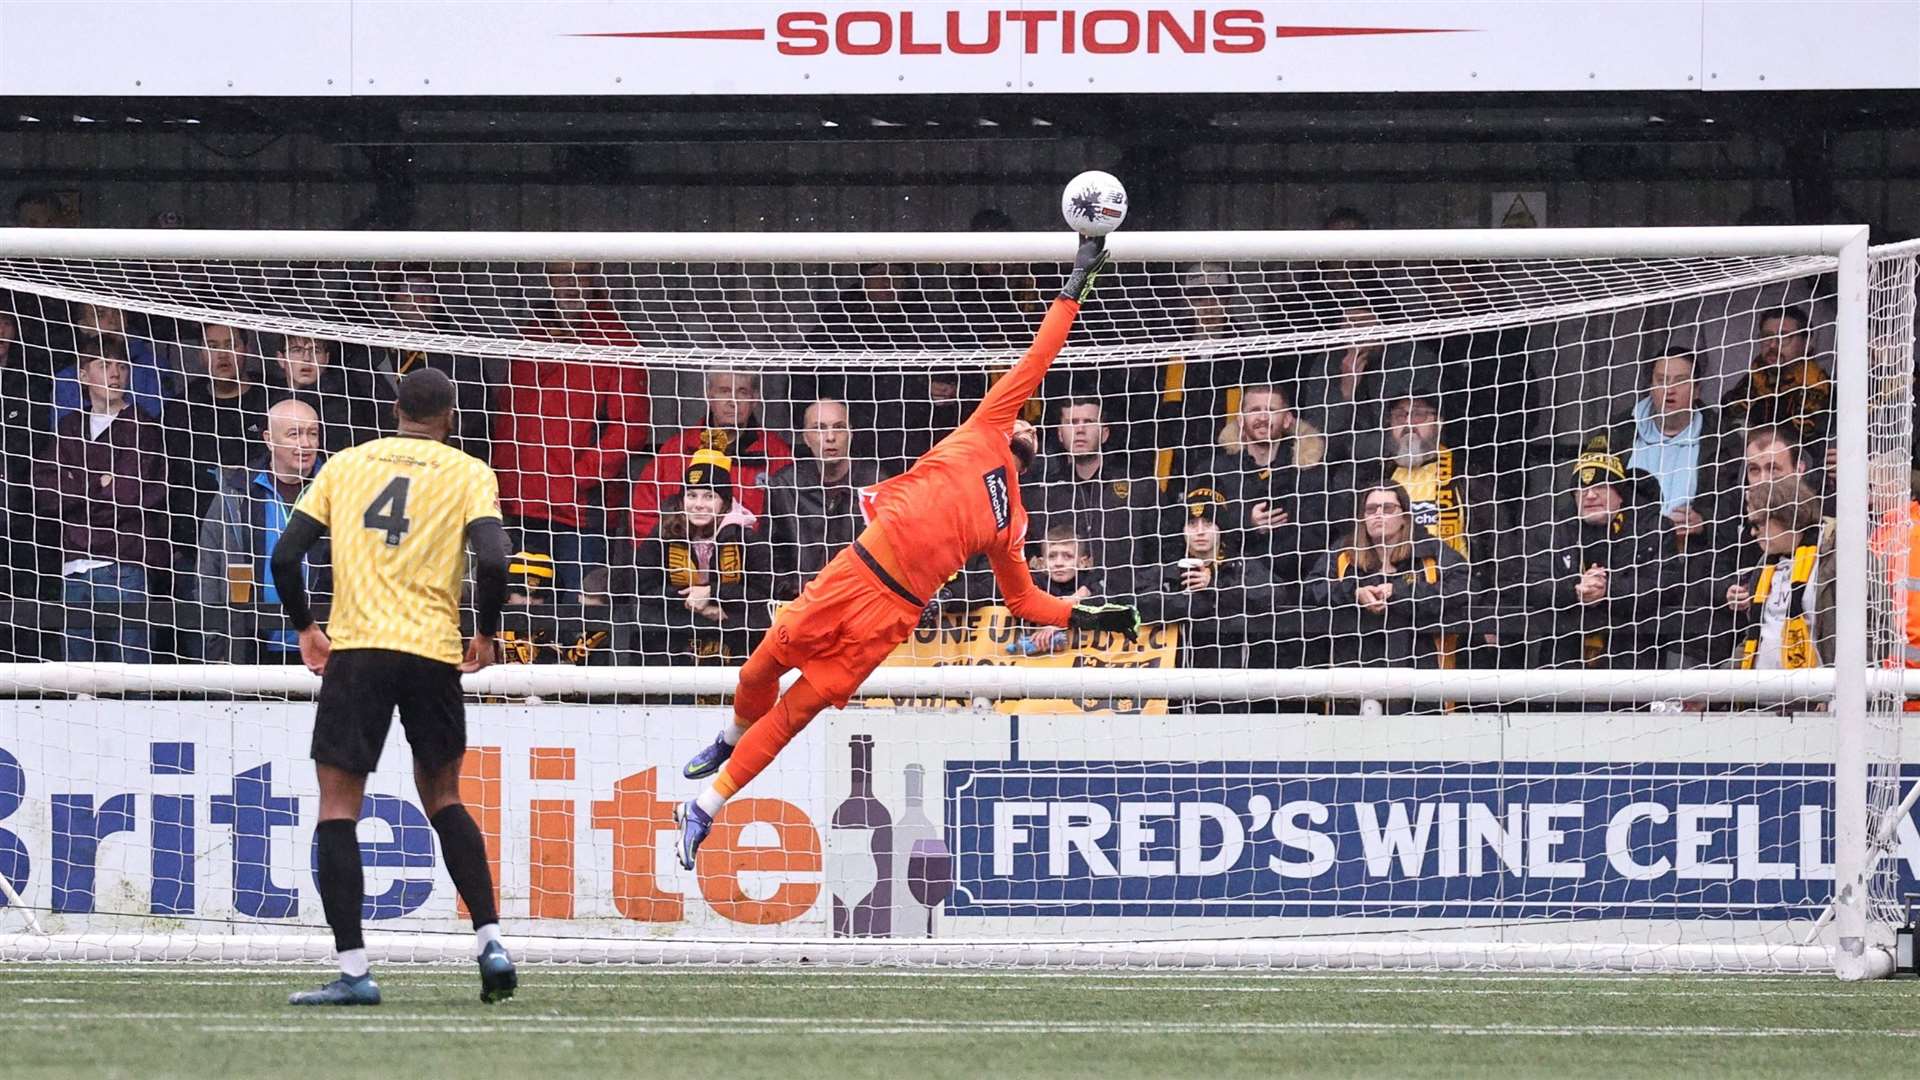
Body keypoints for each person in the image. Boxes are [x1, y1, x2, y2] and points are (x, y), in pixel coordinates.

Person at [672, 236, 1140, 867]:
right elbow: (1041, 353)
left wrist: (1080, 617)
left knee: (799, 711)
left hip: (894, 615)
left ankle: (704, 805)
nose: (1027, 420)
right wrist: (1078, 277)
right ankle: (729, 737)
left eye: (1030, 424)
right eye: (1027, 417)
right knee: (758, 672)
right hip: (856, 571)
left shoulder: (1015, 522)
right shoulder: (986, 425)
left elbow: (1023, 599)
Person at [267, 368, 516, 1007]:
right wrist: (485, 633)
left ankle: (354, 971)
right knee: (443, 797)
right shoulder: (468, 472)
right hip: (433, 653)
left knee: (338, 808)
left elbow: (285, 556)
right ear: (450, 416)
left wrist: (305, 628)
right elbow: (492, 559)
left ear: (396, 407)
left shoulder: (346, 465)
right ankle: (490, 940)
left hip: (358, 654)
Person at [492, 262, 649, 593]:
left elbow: (630, 429)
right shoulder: (530, 337)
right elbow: (510, 421)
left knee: (584, 610)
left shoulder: (616, 342)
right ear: (548, 278)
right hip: (523, 505)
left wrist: (580, 475)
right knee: (524, 610)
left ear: (593, 278)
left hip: (581, 512)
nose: (570, 284)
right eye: (561, 274)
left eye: (579, 274)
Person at [32, 336, 170, 662]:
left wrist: (77, 484)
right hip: (74, 568)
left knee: (131, 681)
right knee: (79, 687)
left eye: (122, 365)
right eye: (104, 364)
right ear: (82, 375)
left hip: (125, 567)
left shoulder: (142, 427)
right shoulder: (68, 427)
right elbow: (45, 491)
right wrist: (98, 483)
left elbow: (127, 494)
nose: (115, 373)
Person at [196, 399, 328, 663]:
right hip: (251, 645)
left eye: (312, 433)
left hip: (326, 645)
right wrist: (217, 641)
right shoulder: (236, 492)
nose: (305, 443)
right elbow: (208, 572)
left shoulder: (339, 488)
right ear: (269, 439)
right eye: (294, 434)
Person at [614, 448, 770, 664]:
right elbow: (642, 587)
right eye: (692, 495)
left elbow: (763, 592)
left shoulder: (745, 538)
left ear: (724, 502)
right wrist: (692, 602)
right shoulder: (665, 534)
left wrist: (713, 593)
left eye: (709, 496)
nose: (699, 504)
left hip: (735, 637)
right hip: (674, 637)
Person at [1521, 452, 1674, 669]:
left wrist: (1608, 591)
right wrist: (1574, 590)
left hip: (1632, 664)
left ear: (1620, 494)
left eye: (1600, 487)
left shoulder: (1654, 529)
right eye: (1582, 489)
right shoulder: (1551, 532)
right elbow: (1530, 585)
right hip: (1563, 667)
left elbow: (1666, 585)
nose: (1590, 495)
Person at [1305, 482, 1470, 674]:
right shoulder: (1342, 552)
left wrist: (1399, 592)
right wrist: (1354, 593)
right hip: (1353, 666)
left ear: (1404, 516)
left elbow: (1465, 586)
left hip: (1420, 667)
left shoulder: (1431, 550)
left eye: (1388, 508)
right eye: (1371, 509)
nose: (1378, 514)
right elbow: (1311, 588)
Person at [628, 369, 793, 538]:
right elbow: (643, 515)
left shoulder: (776, 453)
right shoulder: (676, 450)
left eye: (742, 392)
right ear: (709, 395)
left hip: (753, 560)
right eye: (724, 391)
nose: (733, 401)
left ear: (755, 399)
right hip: (682, 560)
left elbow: (791, 523)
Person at [1130, 487, 1275, 670]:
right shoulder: (1168, 570)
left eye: (1207, 523)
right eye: (1192, 523)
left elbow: (1271, 595)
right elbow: (1136, 602)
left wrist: (1214, 586)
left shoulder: (1240, 566)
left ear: (1220, 528)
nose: (1199, 531)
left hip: (1230, 678)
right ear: (1182, 530)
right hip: (1175, 677)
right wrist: (1196, 601)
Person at [763, 398, 884, 601]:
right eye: (819, 428)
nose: (830, 437)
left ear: (850, 433)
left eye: (838, 427)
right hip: (802, 602)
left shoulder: (876, 484)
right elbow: (769, 556)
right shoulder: (784, 486)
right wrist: (794, 590)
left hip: (862, 601)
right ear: (806, 438)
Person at [1027, 396, 1161, 576]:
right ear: (1060, 434)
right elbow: (1031, 555)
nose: (1080, 430)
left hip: (1128, 598)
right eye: (1072, 422)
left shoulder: (1140, 487)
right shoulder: (1044, 495)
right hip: (1063, 599)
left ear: (1105, 433)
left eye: (1088, 422)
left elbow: (1163, 552)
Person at [1724, 477, 1834, 670]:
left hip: (1820, 691)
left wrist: (1839, 695)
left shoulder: (1833, 559)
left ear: (1786, 516)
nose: (1752, 533)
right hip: (1761, 693)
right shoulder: (1764, 565)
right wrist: (1716, 687)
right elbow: (1757, 637)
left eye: (1757, 523)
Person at [166, 322, 272, 512]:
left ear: (247, 349)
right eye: (213, 346)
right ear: (200, 354)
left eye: (231, 345)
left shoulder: (271, 398)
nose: (222, 355)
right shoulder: (183, 407)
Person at [1721, 305, 1833, 445]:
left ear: (1807, 343)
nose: (1773, 345)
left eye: (1784, 336)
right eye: (1767, 337)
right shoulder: (1741, 394)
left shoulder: (1827, 395)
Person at [265, 334, 388, 455]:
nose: (307, 358)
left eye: (316, 351)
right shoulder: (270, 399)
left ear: (327, 359)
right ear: (281, 358)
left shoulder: (347, 402)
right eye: (297, 350)